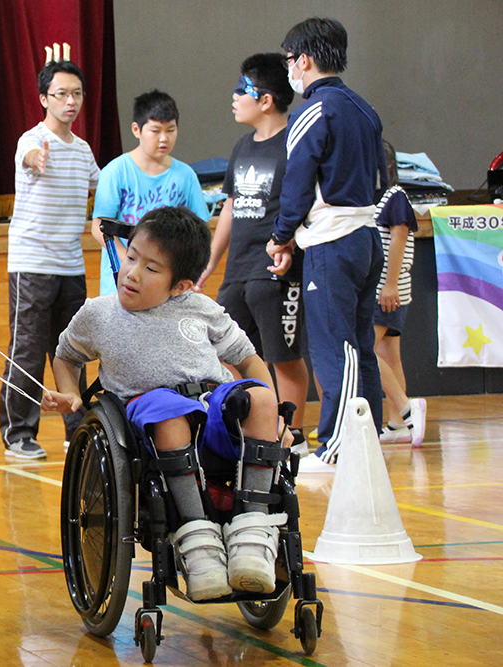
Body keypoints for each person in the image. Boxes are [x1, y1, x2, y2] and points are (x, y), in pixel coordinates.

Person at [44, 207, 292, 601]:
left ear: (181, 286)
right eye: (131, 257)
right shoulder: (99, 314)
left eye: (152, 268)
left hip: (212, 405)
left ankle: (251, 531)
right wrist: (71, 394)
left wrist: (278, 416)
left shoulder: (202, 308)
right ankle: (199, 541)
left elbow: (247, 359)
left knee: (260, 398)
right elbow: (65, 355)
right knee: (169, 409)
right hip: (151, 414)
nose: (132, 273)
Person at [266, 17, 387, 471]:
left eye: (290, 60)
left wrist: (281, 237)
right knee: (359, 346)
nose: (289, 70)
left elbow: (298, 181)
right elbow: (382, 179)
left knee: (335, 348)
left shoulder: (314, 110)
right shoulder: (365, 109)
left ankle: (335, 445)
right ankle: (366, 440)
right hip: (365, 237)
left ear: (306, 60)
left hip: (332, 243)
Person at [196, 53, 309, 450]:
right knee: (228, 353)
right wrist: (208, 263)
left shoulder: (295, 143)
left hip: (277, 272)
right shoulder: (243, 146)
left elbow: (307, 202)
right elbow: (229, 205)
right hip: (238, 271)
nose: (233, 97)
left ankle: (291, 437)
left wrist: (290, 244)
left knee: (283, 357)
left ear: (265, 100)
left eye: (241, 89)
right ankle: (253, 430)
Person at [0, 59, 100, 460]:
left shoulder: (84, 149)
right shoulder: (32, 140)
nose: (70, 101)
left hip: (71, 265)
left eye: (76, 94)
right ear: (44, 98)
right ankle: (18, 435)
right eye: (61, 94)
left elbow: (102, 184)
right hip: (32, 264)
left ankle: (79, 429)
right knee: (27, 349)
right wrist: (36, 161)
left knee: (72, 350)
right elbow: (28, 159)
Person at [91, 90, 211, 297]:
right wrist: (130, 262)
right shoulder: (116, 171)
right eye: (155, 131)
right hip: (122, 285)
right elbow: (99, 227)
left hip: (168, 288)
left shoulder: (186, 175)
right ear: (136, 130)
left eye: (171, 130)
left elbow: (201, 231)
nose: (164, 138)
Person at [372, 140, 426, 446]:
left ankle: (407, 410)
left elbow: (399, 239)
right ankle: (398, 425)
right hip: (382, 289)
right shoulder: (368, 197)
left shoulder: (395, 197)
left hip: (387, 289)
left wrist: (390, 284)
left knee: (365, 346)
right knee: (389, 355)